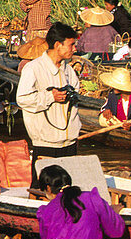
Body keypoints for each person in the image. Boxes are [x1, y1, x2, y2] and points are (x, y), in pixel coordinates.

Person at [36, 164, 126, 239]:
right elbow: (116, 231)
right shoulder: (91, 198)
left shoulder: (45, 212)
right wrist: (113, 213)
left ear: (48, 188)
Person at [16, 22, 82, 169]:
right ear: (58, 45)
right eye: (71, 45)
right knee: (41, 188)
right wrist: (50, 97)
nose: (74, 49)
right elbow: (22, 99)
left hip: (69, 142)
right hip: (46, 143)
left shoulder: (69, 71)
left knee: (68, 188)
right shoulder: (33, 68)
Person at [99, 66, 131, 148]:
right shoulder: (113, 94)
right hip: (118, 122)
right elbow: (105, 105)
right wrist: (106, 110)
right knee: (102, 119)